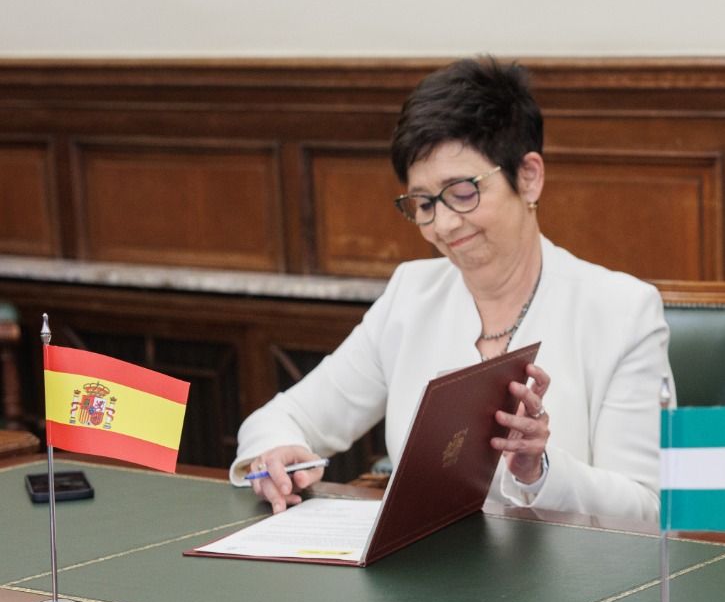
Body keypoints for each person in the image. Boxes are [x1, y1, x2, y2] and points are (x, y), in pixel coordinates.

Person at [230, 57, 669, 523]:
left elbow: (648, 510)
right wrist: (276, 453)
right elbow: (279, 419)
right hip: (423, 580)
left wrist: (539, 470)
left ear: (529, 177)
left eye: (462, 194)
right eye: (422, 203)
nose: (442, 224)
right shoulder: (412, 296)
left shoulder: (622, 311)